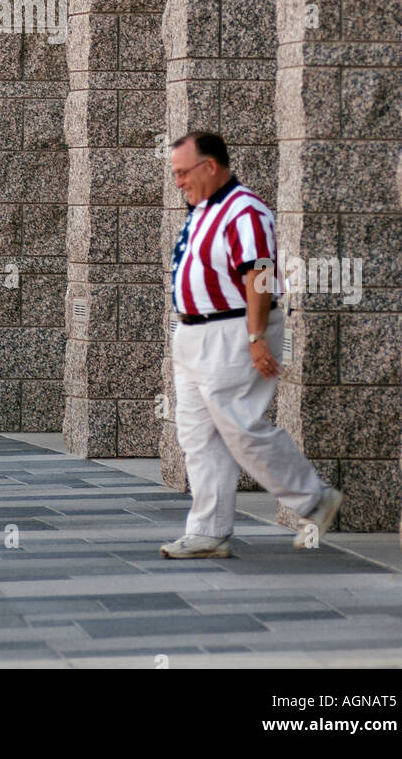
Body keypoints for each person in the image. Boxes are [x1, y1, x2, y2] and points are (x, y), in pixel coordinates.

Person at [159, 131, 342, 559]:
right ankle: (207, 530)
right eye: (175, 173)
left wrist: (257, 337)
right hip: (193, 333)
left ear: (211, 166)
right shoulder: (204, 208)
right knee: (198, 435)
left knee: (239, 426)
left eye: (185, 172)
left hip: (233, 330)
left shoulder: (245, 210)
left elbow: (259, 272)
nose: (179, 181)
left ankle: (313, 498)